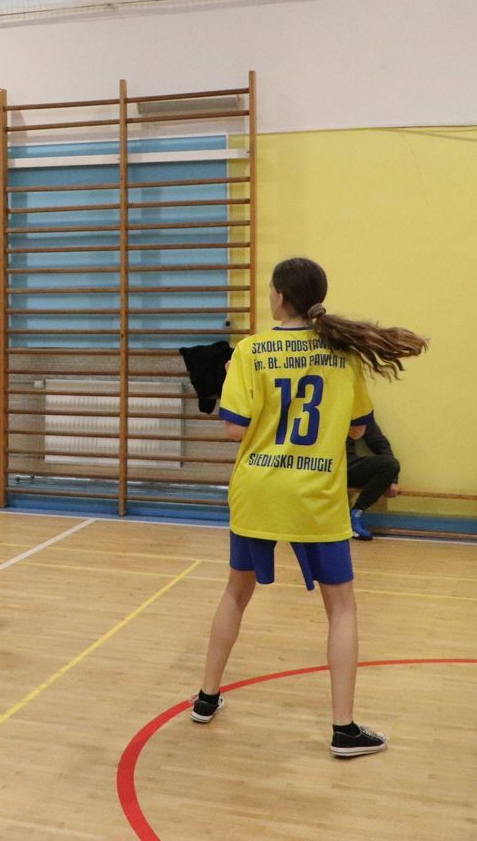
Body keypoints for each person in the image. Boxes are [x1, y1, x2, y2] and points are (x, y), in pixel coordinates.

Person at [191, 257, 426, 758]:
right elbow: (358, 429)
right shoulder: (344, 354)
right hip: (316, 494)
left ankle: (206, 698)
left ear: (279, 296)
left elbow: (233, 428)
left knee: (235, 593)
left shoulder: (251, 350)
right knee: (341, 609)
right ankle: (344, 728)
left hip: (258, 489)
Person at [345, 423, 400, 541]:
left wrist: (392, 479)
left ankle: (357, 513)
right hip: (319, 466)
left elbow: (380, 444)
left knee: (390, 465)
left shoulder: (357, 413)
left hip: (346, 465)